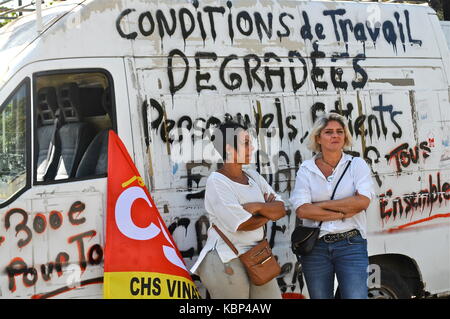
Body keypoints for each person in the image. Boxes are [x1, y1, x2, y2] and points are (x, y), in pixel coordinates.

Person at [190, 121, 286, 299]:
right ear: (229, 148)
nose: (252, 147)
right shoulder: (217, 181)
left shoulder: (253, 177)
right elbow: (243, 224)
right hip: (225, 258)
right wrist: (267, 212)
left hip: (257, 256)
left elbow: (281, 209)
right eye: (246, 143)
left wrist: (257, 207)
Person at [290, 112, 374, 299]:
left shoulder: (357, 165)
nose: (335, 135)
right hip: (316, 247)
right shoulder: (306, 169)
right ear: (318, 138)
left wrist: (321, 206)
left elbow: (362, 201)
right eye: (328, 132)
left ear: (345, 137)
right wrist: (344, 211)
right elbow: (303, 209)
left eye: (339, 131)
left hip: (351, 244)